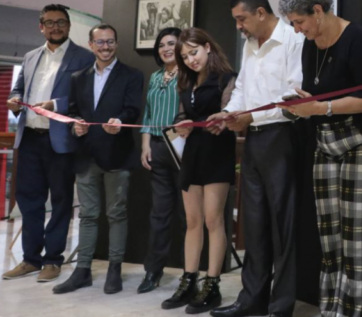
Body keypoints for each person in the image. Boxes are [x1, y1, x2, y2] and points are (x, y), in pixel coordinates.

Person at [278, 0, 362, 317]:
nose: (297, 29)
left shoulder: (357, 40)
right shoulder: (310, 44)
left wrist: (320, 108)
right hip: (327, 140)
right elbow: (317, 92)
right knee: (330, 234)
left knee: (359, 237)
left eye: (299, 22)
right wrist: (301, 103)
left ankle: (355, 311)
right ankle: (332, 308)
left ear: (317, 11)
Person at [208, 0, 304, 317]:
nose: (239, 26)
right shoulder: (250, 45)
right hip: (253, 141)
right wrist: (229, 114)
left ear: (261, 13)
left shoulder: (294, 40)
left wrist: (251, 116)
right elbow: (243, 91)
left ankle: (281, 306)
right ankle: (252, 299)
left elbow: (294, 98)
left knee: (283, 226)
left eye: (241, 19)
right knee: (254, 223)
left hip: (284, 137)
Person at [3, 4, 93, 283]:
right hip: (29, 137)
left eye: (61, 22)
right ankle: (31, 259)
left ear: (68, 26)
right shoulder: (30, 57)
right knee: (29, 201)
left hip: (60, 140)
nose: (56, 27)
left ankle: (53, 261)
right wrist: (15, 100)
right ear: (41, 26)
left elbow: (86, 97)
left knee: (61, 201)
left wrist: (56, 104)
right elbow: (20, 88)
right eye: (50, 22)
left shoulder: (84, 57)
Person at [53, 24, 144, 295]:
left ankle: (114, 268)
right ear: (91, 45)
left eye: (110, 42)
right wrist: (76, 125)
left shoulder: (132, 75)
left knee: (117, 214)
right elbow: (72, 113)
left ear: (116, 43)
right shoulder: (77, 77)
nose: (105, 47)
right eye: (100, 42)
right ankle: (82, 271)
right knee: (88, 216)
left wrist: (121, 121)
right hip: (86, 156)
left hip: (117, 154)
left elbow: (132, 110)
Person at [162, 27, 236, 314]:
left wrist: (222, 118)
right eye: (185, 56)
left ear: (207, 47)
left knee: (212, 220)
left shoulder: (227, 78)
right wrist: (181, 125)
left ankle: (212, 283)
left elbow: (230, 112)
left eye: (194, 52)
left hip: (218, 152)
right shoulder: (185, 82)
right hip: (192, 153)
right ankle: (188, 279)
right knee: (192, 220)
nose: (191, 60)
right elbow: (183, 116)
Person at [137, 27, 184, 294]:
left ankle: (191, 273)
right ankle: (153, 271)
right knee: (159, 214)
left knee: (189, 215)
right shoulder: (155, 77)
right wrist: (145, 145)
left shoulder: (189, 74)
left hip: (182, 149)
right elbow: (148, 114)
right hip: (157, 148)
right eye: (162, 45)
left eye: (171, 43)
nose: (166, 48)